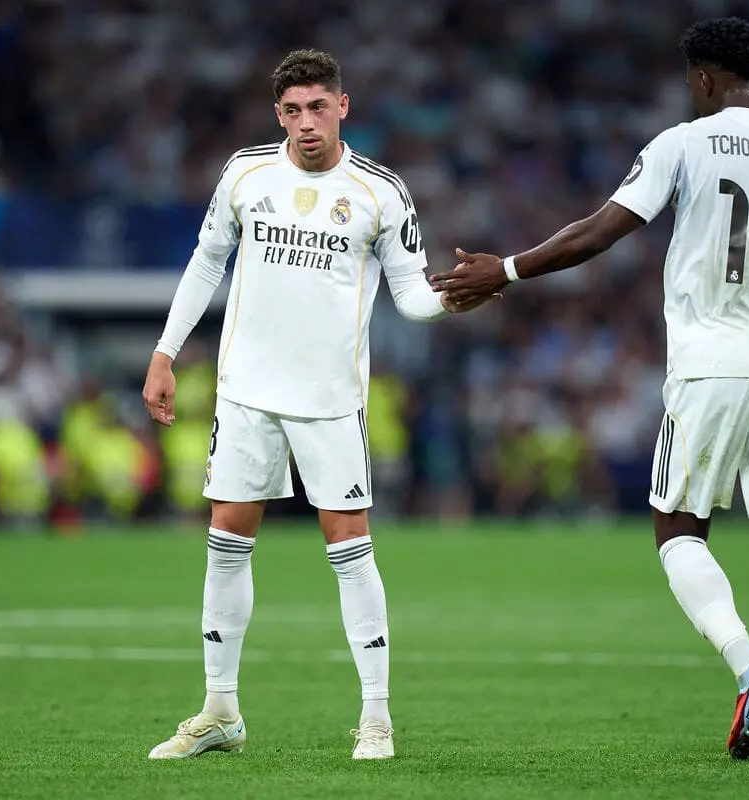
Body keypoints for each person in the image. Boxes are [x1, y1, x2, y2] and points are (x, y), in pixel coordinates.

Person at [431, 17, 749, 763]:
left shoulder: (684, 143)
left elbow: (598, 232)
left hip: (711, 367)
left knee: (677, 530)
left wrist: (505, 270)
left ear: (704, 79)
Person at [141, 48, 487, 762]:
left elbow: (411, 295)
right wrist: (166, 352)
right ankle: (219, 711)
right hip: (244, 391)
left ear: (343, 106)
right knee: (226, 542)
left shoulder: (380, 192)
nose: (306, 123)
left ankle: (378, 719)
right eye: (293, 111)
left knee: (350, 549)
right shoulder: (244, 173)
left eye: (318, 107)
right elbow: (207, 261)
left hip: (330, 399)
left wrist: (455, 297)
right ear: (279, 115)